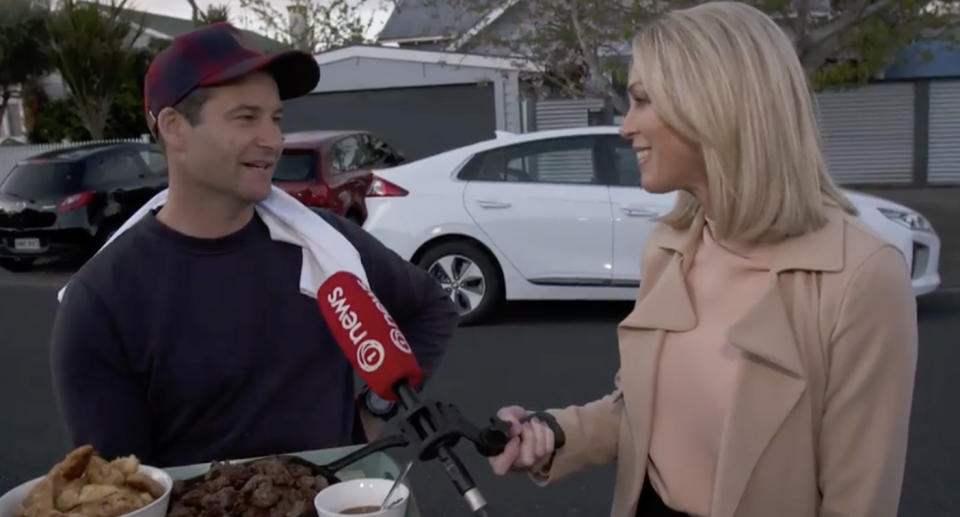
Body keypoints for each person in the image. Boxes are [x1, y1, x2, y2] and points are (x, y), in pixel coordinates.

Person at [488, 3, 918, 517]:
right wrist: (553, 433)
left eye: (643, 100)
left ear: (715, 107)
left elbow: (860, 502)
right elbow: (641, 409)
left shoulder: (862, 277)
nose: (625, 127)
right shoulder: (668, 248)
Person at [50, 22, 459, 468]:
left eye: (276, 118)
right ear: (175, 128)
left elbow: (431, 308)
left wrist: (373, 413)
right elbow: (118, 493)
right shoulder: (103, 300)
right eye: (246, 117)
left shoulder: (325, 243)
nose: (273, 139)